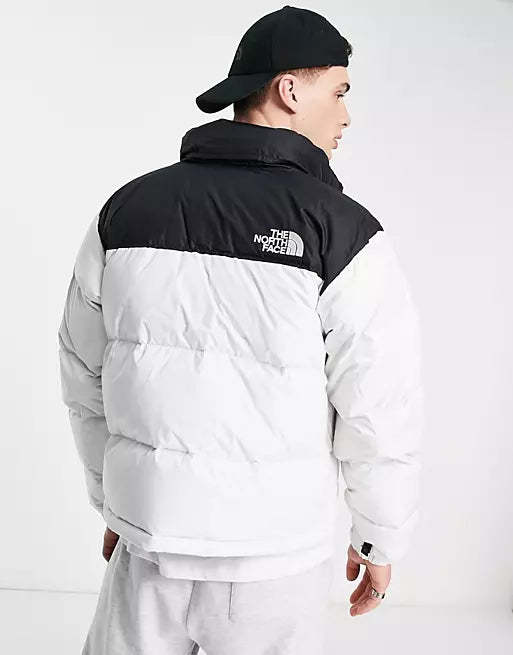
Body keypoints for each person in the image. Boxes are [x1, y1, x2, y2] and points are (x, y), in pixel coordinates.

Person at [58, 5, 424, 654]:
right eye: (339, 91)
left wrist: (114, 501)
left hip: (148, 543)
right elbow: (377, 406)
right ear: (290, 90)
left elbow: (84, 376)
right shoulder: (343, 231)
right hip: (273, 561)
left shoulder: (126, 209)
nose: (346, 115)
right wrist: (378, 536)